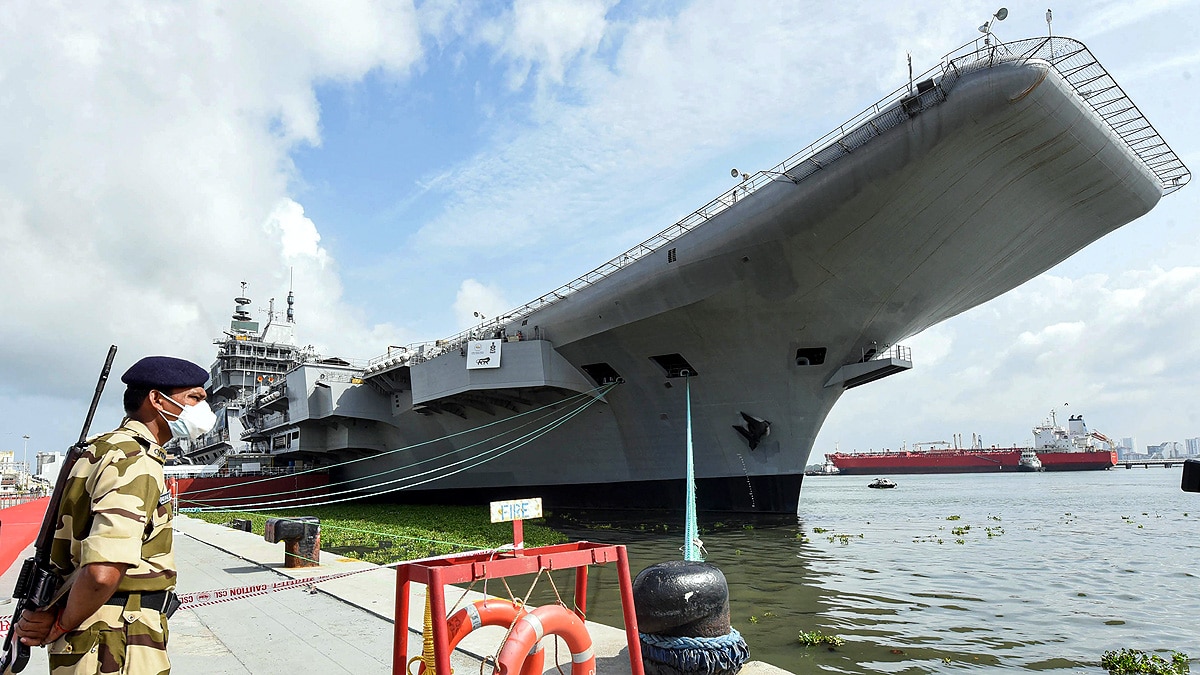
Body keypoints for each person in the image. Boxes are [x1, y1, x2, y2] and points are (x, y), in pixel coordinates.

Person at [14, 355, 214, 674]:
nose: (204, 408)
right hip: (117, 639)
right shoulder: (135, 461)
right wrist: (60, 624)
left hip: (95, 635)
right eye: (194, 397)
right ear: (156, 400)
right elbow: (102, 571)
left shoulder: (97, 450)